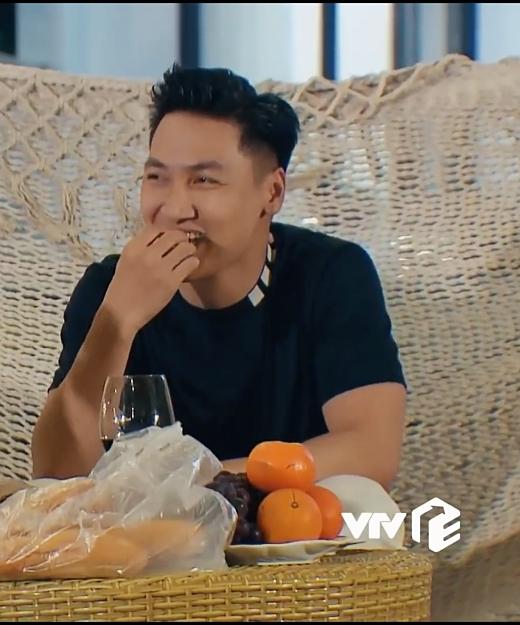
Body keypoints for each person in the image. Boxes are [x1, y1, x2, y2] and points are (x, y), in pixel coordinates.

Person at [32, 65, 407, 489]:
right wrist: (116, 322)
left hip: (296, 525)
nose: (175, 209)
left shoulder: (331, 275)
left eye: (204, 180)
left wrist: (189, 488)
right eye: (156, 177)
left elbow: (370, 451)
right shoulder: (109, 287)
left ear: (272, 192)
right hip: (146, 533)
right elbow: (56, 476)